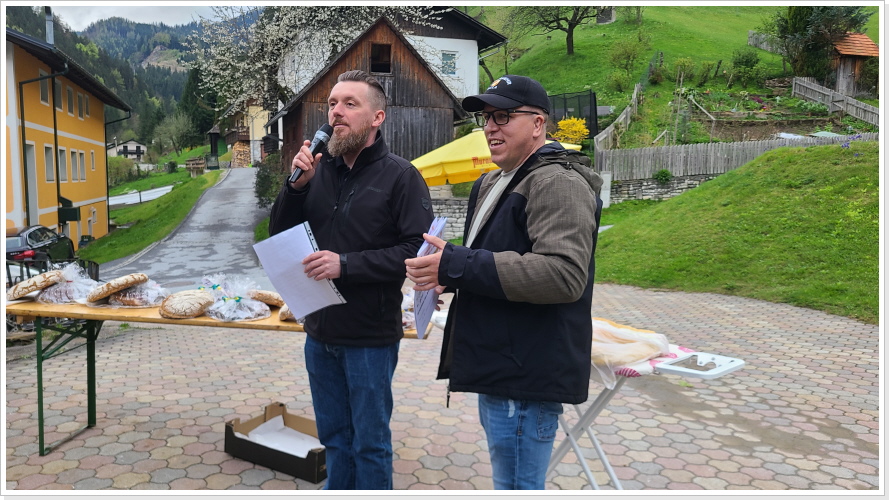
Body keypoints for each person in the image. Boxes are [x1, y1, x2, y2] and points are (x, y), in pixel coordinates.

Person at [405, 75, 603, 490]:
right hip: (501, 363)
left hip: (526, 374)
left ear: (538, 123)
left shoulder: (557, 181)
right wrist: (447, 275)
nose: (491, 127)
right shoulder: (494, 180)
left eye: (504, 116)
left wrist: (456, 265)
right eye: (486, 118)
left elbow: (563, 275)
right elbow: (497, 254)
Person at [269, 69, 434, 490]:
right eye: (332, 104)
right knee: (334, 441)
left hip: (369, 339)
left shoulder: (401, 176)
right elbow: (279, 235)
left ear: (377, 118)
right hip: (319, 332)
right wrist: (296, 189)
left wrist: (346, 264)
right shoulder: (317, 170)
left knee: (370, 444)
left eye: (349, 104)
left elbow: (417, 252)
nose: (336, 113)